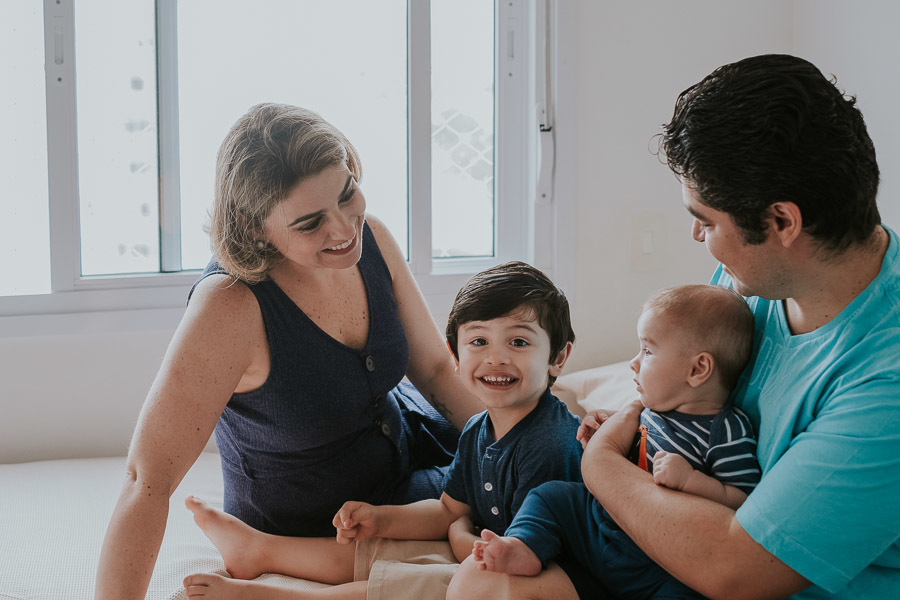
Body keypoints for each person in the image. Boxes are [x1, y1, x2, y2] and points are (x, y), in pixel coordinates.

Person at [450, 53, 900, 600]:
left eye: (705, 220)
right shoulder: (748, 287)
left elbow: (735, 569)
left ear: (783, 221)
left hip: (729, 575)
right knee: (484, 580)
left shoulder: (884, 382)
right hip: (661, 539)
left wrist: (601, 463)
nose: (696, 236)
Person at [95, 103, 486, 600]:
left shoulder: (372, 239)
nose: (345, 229)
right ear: (252, 224)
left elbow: (433, 369)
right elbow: (145, 480)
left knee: (544, 482)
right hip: (315, 521)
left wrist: (518, 439)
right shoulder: (230, 308)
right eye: (309, 223)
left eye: (347, 195)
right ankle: (262, 551)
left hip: (410, 462)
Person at [180, 261, 585, 600]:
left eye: (518, 342)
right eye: (479, 341)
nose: (495, 358)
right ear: (455, 356)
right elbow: (448, 509)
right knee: (382, 547)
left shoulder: (549, 444)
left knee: (412, 582)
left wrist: (459, 533)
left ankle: (271, 595)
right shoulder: (479, 428)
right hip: (489, 548)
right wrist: (382, 519)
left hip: (535, 573)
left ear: (558, 357)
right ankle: (260, 551)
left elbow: (521, 554)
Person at [471, 284, 759, 600]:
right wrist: (604, 424)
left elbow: (743, 503)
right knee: (552, 496)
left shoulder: (727, 431)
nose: (633, 363)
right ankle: (524, 545)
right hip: (602, 525)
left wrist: (693, 481)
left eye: (648, 351)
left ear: (698, 369)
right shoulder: (646, 408)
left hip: (661, 562)